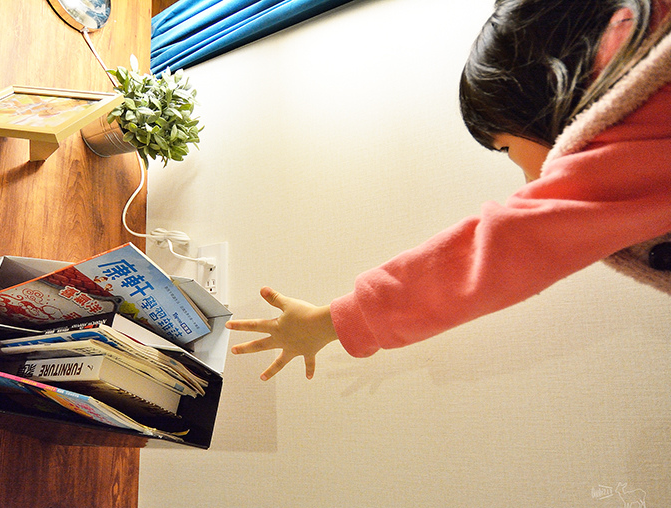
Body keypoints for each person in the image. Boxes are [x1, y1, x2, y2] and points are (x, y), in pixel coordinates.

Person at [226, 0, 671, 381]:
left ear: (549, 90)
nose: (526, 178)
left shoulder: (641, 123)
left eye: (505, 148)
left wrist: (329, 322)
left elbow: (501, 250)